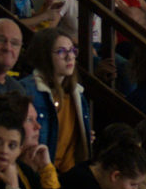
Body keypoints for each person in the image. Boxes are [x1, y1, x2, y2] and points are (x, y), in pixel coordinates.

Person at [21, 28, 92, 173]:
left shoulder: (77, 94)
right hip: (40, 172)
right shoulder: (28, 90)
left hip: (68, 175)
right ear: (44, 56)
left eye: (72, 50)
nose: (70, 57)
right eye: (61, 51)